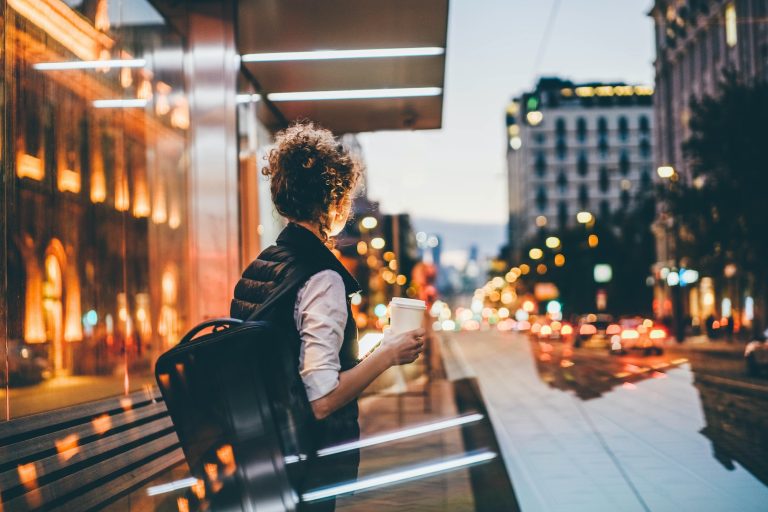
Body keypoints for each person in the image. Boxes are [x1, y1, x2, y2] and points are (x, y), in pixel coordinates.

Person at [230, 121, 424, 511]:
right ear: (334, 201)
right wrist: (388, 353)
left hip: (261, 455)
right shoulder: (321, 277)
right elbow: (321, 398)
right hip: (304, 465)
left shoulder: (263, 266)